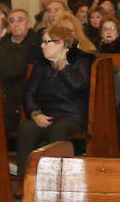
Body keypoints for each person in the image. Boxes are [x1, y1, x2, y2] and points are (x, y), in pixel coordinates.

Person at [15, 17, 94, 174]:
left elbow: (79, 86)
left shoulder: (82, 60)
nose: (41, 46)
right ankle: (26, 179)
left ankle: (56, 178)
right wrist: (35, 113)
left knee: (58, 129)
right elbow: (29, 93)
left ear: (61, 44)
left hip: (72, 116)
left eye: (46, 42)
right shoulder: (42, 64)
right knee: (26, 128)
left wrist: (63, 65)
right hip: (46, 115)